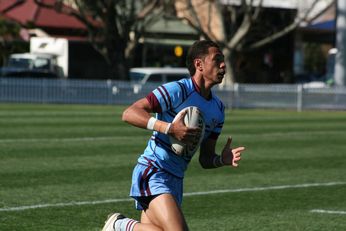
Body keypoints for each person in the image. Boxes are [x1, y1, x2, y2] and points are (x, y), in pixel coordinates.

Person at [102, 40, 245, 231]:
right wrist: (169, 128)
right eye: (217, 60)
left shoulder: (218, 110)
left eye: (223, 60)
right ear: (199, 64)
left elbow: (205, 158)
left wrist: (221, 160)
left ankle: (121, 226)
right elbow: (130, 113)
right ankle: (119, 226)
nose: (223, 65)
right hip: (154, 170)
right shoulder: (178, 90)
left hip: (176, 180)